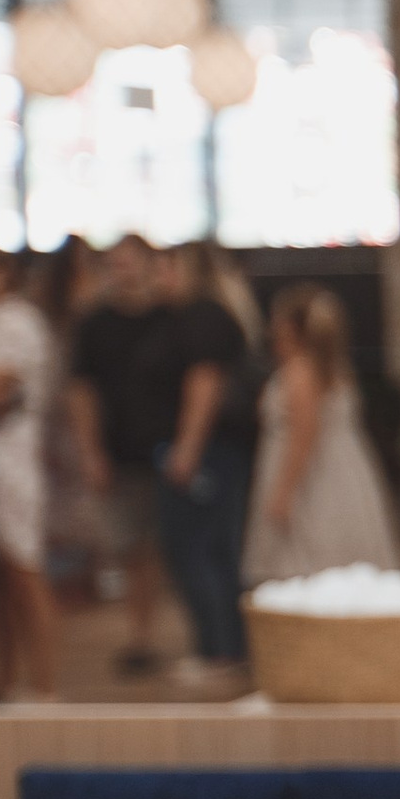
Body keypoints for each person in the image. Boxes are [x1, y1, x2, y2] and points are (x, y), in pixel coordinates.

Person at [141, 240, 262, 687]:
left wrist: (188, 450)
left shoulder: (203, 317)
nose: (158, 277)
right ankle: (220, 647)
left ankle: (222, 651)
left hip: (206, 454)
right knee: (200, 549)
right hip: (201, 451)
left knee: (200, 550)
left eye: (165, 268)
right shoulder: (185, 317)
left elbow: (204, 383)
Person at [241, 284, 400, 586]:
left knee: (308, 560)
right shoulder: (327, 368)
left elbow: (304, 433)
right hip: (341, 473)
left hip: (313, 480)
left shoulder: (300, 371)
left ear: (290, 327)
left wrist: (284, 493)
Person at [65, 231, 173, 672]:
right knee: (130, 547)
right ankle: (139, 637)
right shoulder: (94, 324)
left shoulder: (171, 318)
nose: (121, 270)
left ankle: (171, 633)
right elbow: (81, 392)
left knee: (168, 548)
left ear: (149, 264)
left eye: (130, 261)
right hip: (119, 451)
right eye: (115, 262)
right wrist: (90, 451)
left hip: (170, 451)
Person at [0, 242, 58, 698]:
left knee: (24, 570)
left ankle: (45, 687)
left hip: (12, 461)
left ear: (3, 275)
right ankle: (3, 684)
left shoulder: (18, 322)